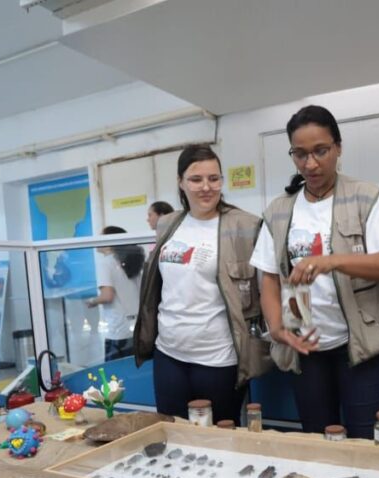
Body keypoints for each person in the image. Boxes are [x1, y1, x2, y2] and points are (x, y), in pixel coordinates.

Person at [251, 105, 379, 439]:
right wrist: (277, 327)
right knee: (317, 439)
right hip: (306, 348)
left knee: (367, 441)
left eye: (321, 151)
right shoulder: (279, 211)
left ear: (338, 147)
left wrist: (331, 260)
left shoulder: (365, 197)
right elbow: (267, 276)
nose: (311, 164)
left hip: (360, 347)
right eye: (300, 154)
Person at [134, 145, 270, 423]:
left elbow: (267, 288)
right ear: (181, 182)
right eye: (196, 179)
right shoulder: (168, 224)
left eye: (214, 178)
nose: (206, 187)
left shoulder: (245, 225)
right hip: (169, 353)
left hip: (219, 358)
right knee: (171, 435)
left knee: (220, 440)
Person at [87, 226, 144, 360]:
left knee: (115, 376)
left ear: (110, 242)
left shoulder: (106, 263)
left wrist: (92, 301)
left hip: (118, 329)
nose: (97, 240)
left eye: (100, 236)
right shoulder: (130, 262)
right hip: (136, 328)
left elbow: (107, 296)